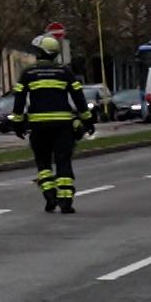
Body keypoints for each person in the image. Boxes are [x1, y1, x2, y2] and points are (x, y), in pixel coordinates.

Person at [10, 34, 93, 214]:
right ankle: (66, 200)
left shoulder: (29, 73)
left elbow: (19, 100)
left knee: (43, 162)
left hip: (38, 126)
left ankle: (49, 195)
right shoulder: (64, 72)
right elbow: (79, 98)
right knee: (63, 160)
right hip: (63, 125)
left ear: (40, 52)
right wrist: (87, 120)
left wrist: (17, 123)